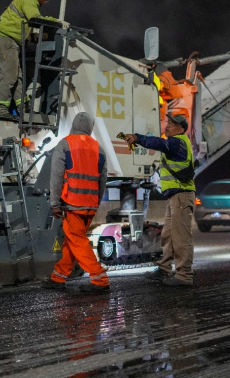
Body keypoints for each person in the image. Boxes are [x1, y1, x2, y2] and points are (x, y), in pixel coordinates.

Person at [124, 113, 195, 287]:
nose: (168, 125)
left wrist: (138, 138)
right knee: (169, 234)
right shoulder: (175, 143)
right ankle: (164, 268)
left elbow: (158, 143)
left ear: (180, 129)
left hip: (182, 195)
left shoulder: (177, 142)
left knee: (180, 237)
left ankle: (184, 275)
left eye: (172, 123)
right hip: (175, 196)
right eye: (168, 122)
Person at [42, 112, 110, 292]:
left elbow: (56, 177)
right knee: (73, 241)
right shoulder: (99, 148)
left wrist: (55, 203)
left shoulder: (65, 145)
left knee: (77, 241)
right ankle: (59, 277)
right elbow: (103, 180)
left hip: (72, 203)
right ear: (90, 127)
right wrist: (96, 201)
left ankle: (100, 279)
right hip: (90, 204)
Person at [0, 0, 66, 116]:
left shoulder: (30, 0)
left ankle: (23, 109)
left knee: (17, 77)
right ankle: (0, 110)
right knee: (9, 77)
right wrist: (56, 22)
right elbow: (35, 19)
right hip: (5, 40)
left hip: (10, 41)